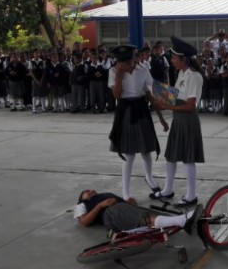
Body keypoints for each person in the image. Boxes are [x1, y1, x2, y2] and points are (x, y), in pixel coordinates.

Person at [108, 44, 169, 201]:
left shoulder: (142, 69)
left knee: (146, 150)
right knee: (128, 154)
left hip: (141, 109)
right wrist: (120, 75)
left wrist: (175, 101)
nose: (127, 65)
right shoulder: (114, 71)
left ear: (134, 58)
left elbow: (153, 89)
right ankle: (126, 192)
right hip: (125, 110)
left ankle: (149, 177)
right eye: (123, 62)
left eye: (129, 61)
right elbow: (116, 95)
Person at [150, 36, 205, 206]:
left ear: (184, 59)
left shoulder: (194, 76)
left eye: (174, 58)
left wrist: (167, 107)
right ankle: (167, 190)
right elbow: (175, 95)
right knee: (171, 156)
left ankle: (191, 196)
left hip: (188, 121)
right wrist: (155, 90)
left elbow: (190, 105)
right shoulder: (181, 73)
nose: (172, 61)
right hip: (178, 120)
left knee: (188, 158)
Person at [74, 189, 199, 234]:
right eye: (86, 191)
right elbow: (84, 221)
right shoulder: (83, 204)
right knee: (142, 216)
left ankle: (184, 221)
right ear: (82, 198)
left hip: (122, 209)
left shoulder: (105, 194)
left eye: (90, 189)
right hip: (109, 214)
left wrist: (130, 202)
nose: (90, 191)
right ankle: (182, 220)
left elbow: (128, 209)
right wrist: (101, 205)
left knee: (150, 213)